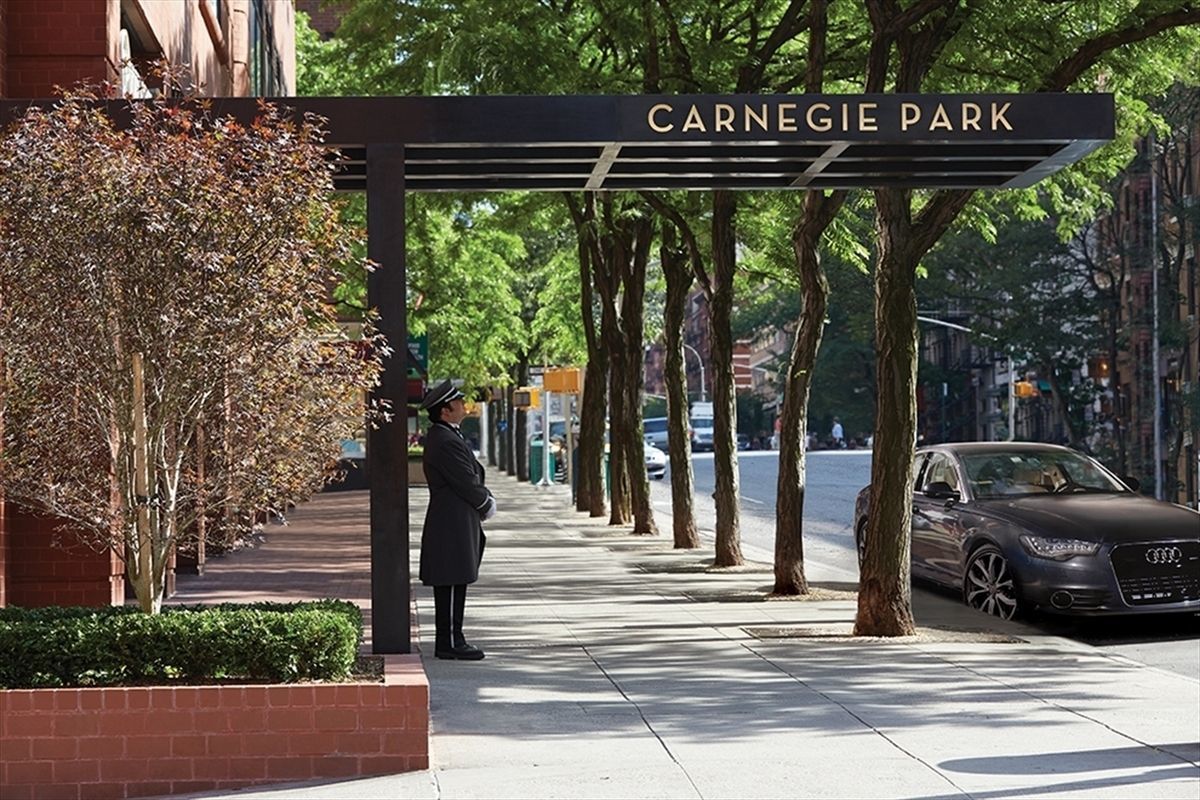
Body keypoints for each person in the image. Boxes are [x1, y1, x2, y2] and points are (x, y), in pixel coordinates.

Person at [419, 379, 496, 661]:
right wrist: (485, 502)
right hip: (450, 521)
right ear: (446, 411)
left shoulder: (449, 435)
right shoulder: (444, 439)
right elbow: (464, 479)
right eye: (459, 403)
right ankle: (450, 641)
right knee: (451, 579)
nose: (464, 406)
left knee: (456, 578)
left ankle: (454, 638)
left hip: (455, 518)